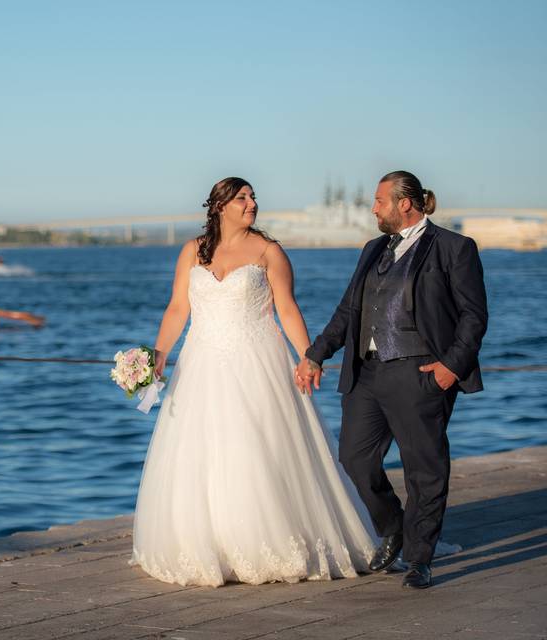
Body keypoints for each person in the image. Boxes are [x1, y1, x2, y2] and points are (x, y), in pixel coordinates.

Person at [129, 177, 376, 587]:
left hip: (257, 363)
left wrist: (307, 356)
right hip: (201, 365)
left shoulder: (268, 251)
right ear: (220, 206)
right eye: (242, 198)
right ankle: (211, 544)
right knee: (203, 454)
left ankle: (264, 541)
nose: (252, 203)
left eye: (253, 197)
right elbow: (177, 308)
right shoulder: (193, 250)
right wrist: (158, 355)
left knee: (253, 447)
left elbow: (288, 309)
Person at [295, 171, 488, 589]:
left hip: (420, 373)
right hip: (366, 372)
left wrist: (449, 368)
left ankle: (420, 558)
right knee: (354, 459)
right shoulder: (372, 249)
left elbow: (474, 317)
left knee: (425, 468)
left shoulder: (454, 248)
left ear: (405, 203)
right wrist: (316, 354)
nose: (373, 208)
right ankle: (394, 526)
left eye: (380, 200)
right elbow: (349, 311)